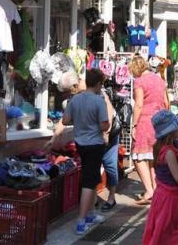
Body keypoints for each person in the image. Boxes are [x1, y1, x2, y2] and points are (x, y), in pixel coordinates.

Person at [60, 69, 110, 235]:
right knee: (89, 181)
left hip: (80, 143)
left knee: (93, 177)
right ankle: (81, 220)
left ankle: (90, 214)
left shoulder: (75, 99)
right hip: (94, 143)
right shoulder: (98, 101)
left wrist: (79, 120)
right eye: (101, 84)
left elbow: (65, 120)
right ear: (97, 84)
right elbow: (105, 125)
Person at [141, 110, 178, 245]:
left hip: (165, 196)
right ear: (170, 131)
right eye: (177, 126)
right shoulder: (169, 152)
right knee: (166, 231)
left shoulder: (169, 146)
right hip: (168, 199)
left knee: (165, 229)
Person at [131, 54, 169, 204]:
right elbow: (166, 102)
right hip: (159, 120)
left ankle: (149, 191)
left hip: (145, 120)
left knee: (138, 156)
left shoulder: (139, 81)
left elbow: (139, 104)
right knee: (153, 157)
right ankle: (155, 188)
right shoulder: (160, 79)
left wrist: (134, 124)